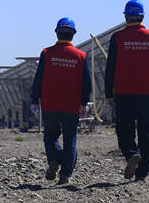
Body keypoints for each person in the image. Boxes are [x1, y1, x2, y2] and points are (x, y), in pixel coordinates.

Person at [105, 0, 149, 182]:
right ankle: (142, 172)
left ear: (126, 17)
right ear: (142, 16)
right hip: (147, 95)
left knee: (124, 131)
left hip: (124, 94)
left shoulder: (117, 38)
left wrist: (109, 93)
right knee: (147, 133)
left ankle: (132, 153)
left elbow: (110, 68)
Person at [31, 17, 91, 185]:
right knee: (70, 140)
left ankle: (55, 159)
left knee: (50, 137)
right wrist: (84, 103)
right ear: (73, 34)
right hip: (71, 106)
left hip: (50, 105)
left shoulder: (46, 53)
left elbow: (38, 78)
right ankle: (65, 175)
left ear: (56, 32)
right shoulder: (81, 56)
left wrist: (34, 100)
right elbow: (87, 83)